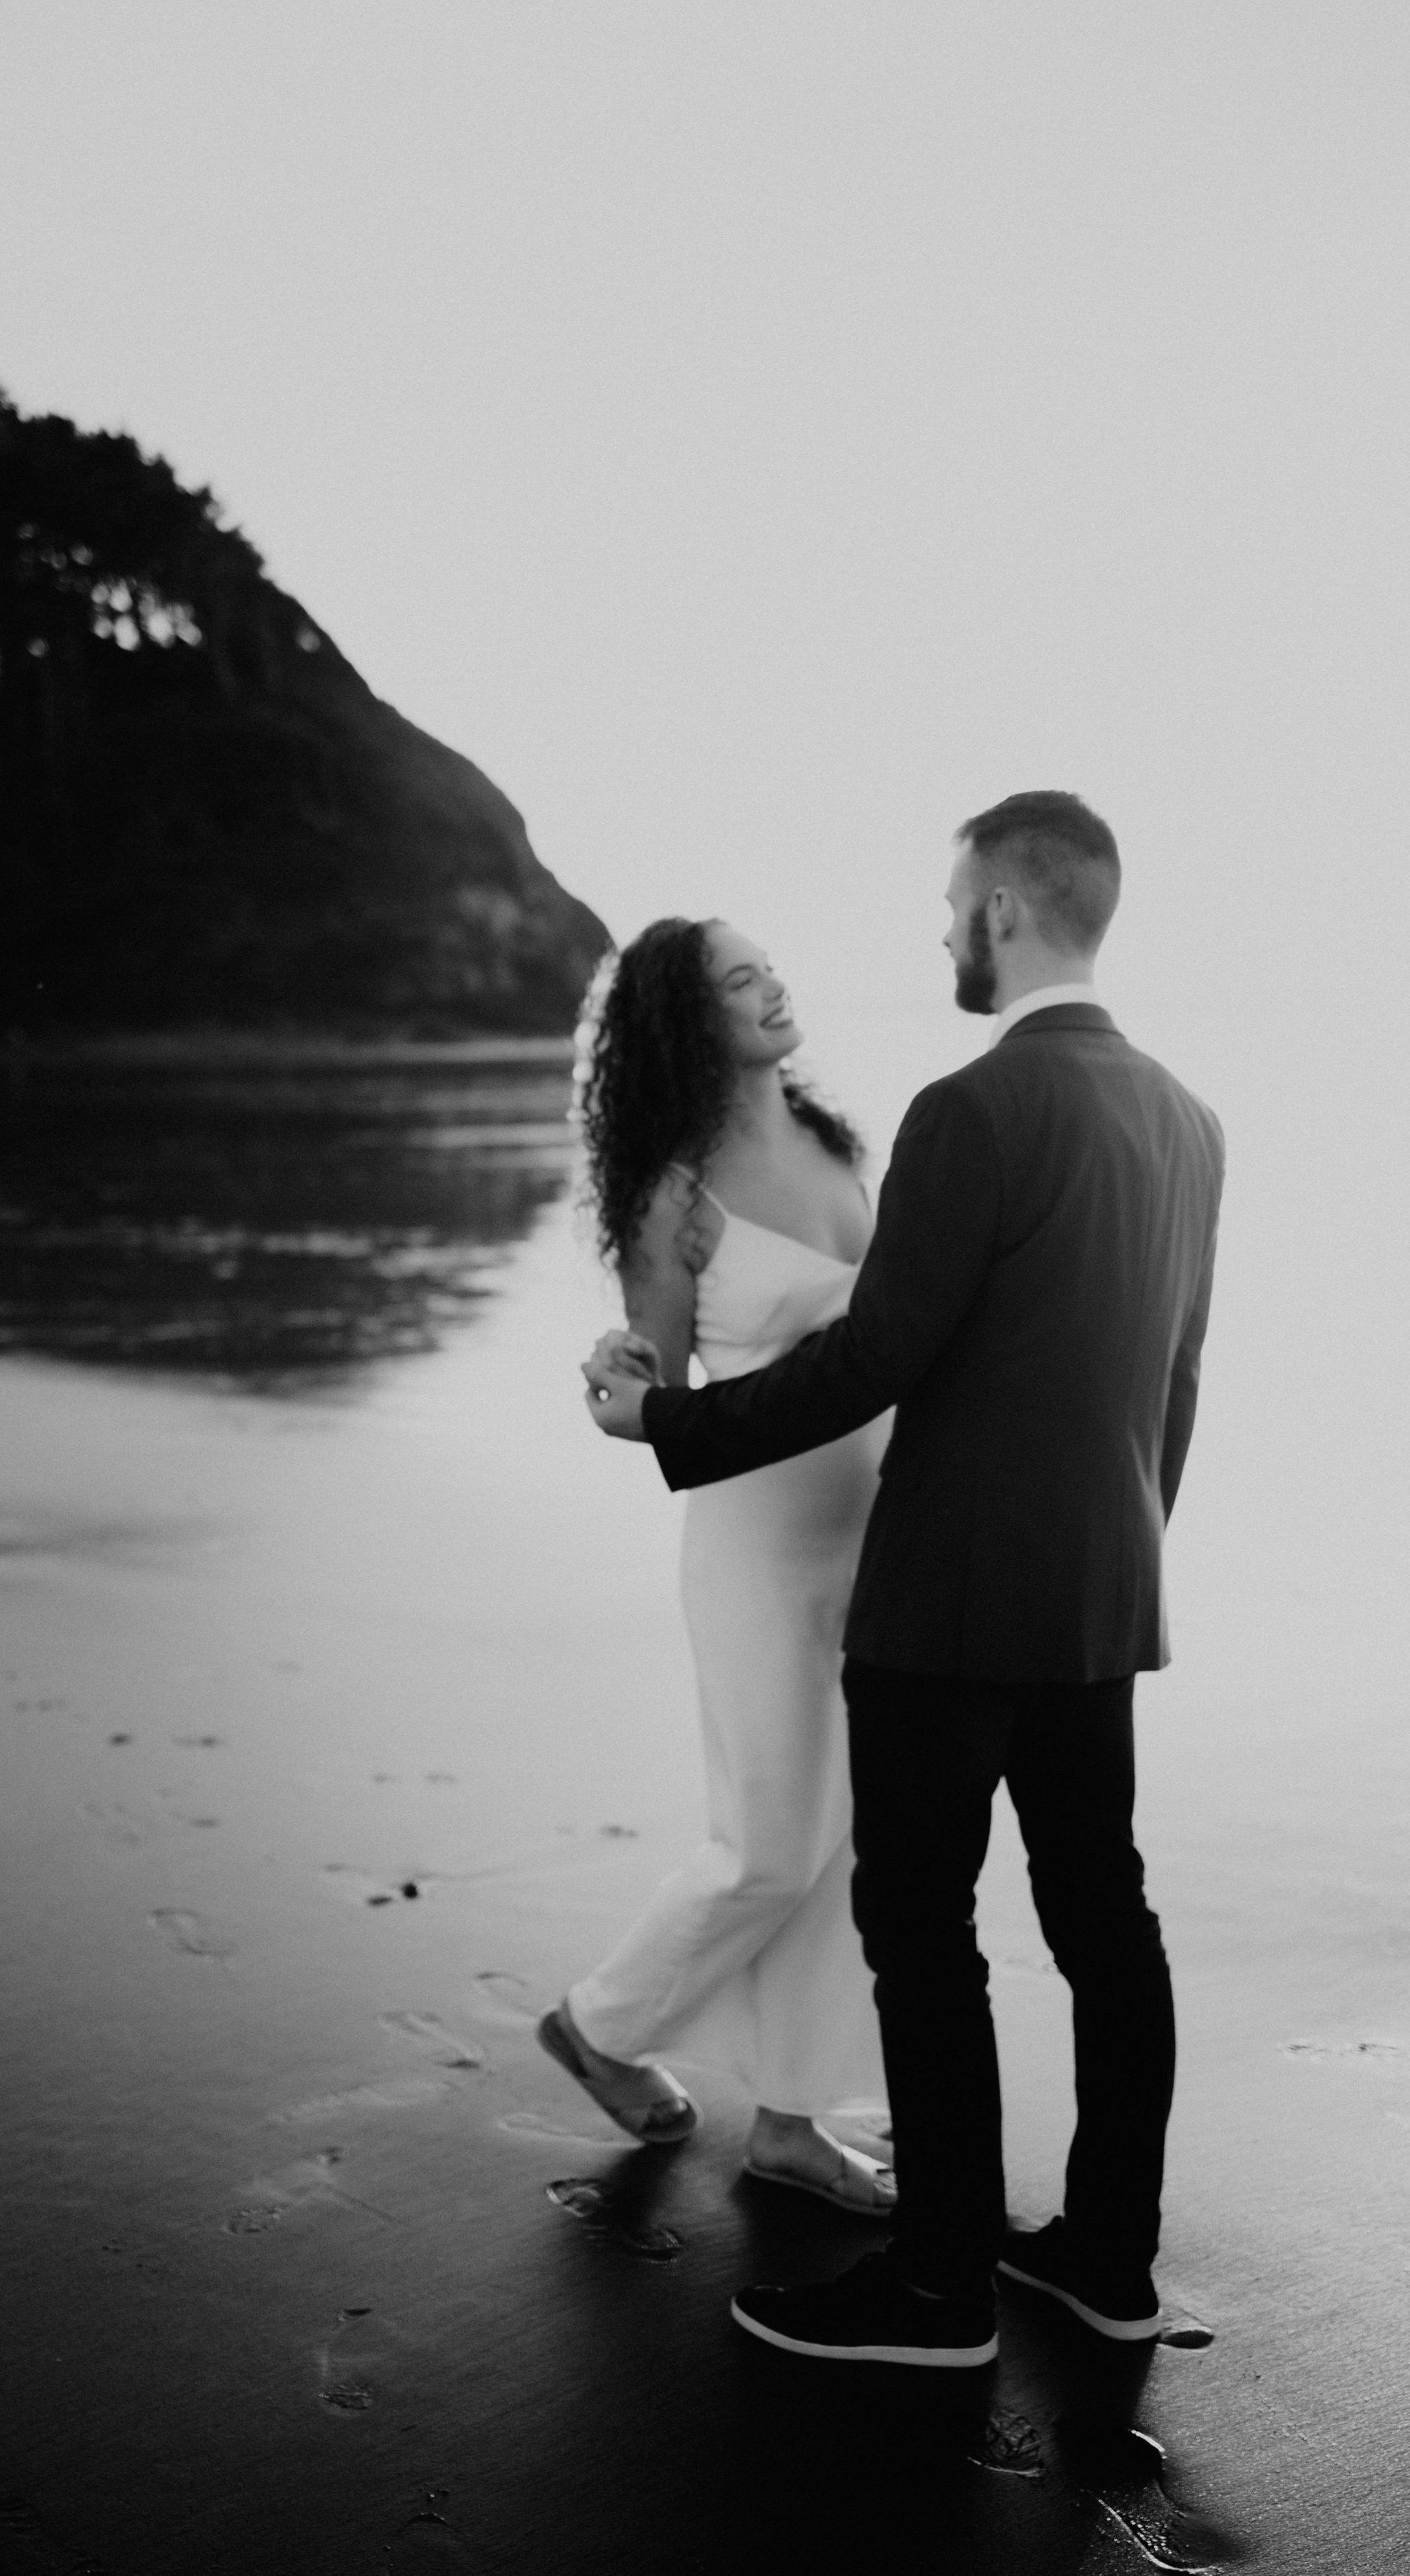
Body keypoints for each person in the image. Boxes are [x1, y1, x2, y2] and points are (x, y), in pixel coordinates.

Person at [584, 791, 1225, 2371]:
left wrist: (665, 1423)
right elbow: (1174, 1379)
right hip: (1098, 1595)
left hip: (938, 1601)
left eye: (953, 908)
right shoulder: (1186, 1118)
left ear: (1002, 910)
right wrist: (1122, 1548)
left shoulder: (966, 1110)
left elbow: (876, 1354)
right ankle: (1108, 2262)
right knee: (1104, 1923)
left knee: (921, 1933)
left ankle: (938, 2290)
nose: (944, 933)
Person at [538, 915, 898, 2215]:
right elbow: (657, 1385)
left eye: (769, 967)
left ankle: (792, 2125)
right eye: (741, 982)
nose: (772, 988)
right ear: (694, 1023)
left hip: (880, 1532)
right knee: (769, 1844)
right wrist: (615, 1367)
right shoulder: (676, 1197)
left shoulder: (836, 1143)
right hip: (756, 1549)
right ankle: (599, 2023)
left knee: (849, 1840)